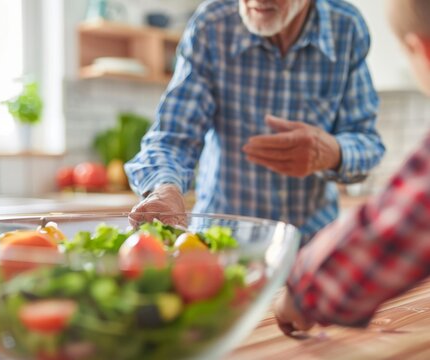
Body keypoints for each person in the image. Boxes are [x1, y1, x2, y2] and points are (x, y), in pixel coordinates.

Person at [124, 0, 385, 244]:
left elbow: (366, 141)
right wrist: (164, 188)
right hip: (224, 242)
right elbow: (172, 137)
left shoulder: (346, 27)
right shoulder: (212, 25)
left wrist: (332, 153)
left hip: (312, 243)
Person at [273, 0, 430, 334]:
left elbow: (397, 225)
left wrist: (305, 291)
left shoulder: (346, 25)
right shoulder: (209, 23)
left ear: (423, 51)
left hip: (309, 252)